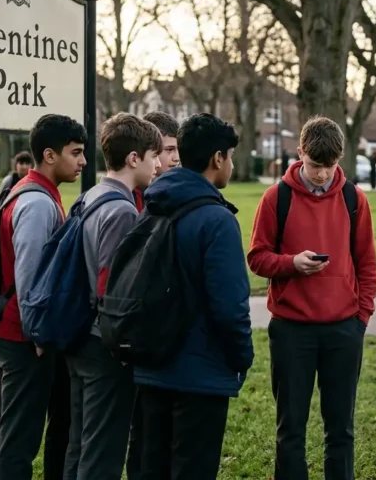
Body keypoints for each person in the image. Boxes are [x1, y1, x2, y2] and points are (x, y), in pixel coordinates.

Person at [247, 116, 376, 480]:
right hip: (292, 330)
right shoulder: (276, 198)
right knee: (290, 429)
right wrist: (291, 264)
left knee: (341, 429)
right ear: (300, 153)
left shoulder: (354, 199)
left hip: (344, 330)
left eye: (330, 166)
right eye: (315, 165)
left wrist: (361, 318)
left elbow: (367, 262)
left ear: (341, 158)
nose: (322, 174)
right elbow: (257, 258)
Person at [134, 113, 254, 479]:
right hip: (201, 373)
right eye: (230, 157)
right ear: (218, 158)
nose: (231, 165)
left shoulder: (152, 206)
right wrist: (242, 357)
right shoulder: (217, 220)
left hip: (151, 363)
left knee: (151, 469)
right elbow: (230, 306)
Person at [0, 115, 87, 480]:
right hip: (22, 336)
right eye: (75, 152)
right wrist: (38, 335)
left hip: (12, 328)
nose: (83, 161)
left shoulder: (31, 191)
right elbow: (29, 275)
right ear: (49, 155)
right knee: (20, 437)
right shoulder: (37, 204)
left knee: (8, 427)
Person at [64, 114, 162, 480]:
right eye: (154, 156)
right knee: (102, 453)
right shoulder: (122, 211)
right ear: (134, 158)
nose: (158, 165)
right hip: (103, 345)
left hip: (79, 338)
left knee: (79, 444)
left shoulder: (91, 195)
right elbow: (113, 289)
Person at [125, 110, 179, 480]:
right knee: (141, 431)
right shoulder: (132, 202)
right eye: (166, 150)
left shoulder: (167, 198)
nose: (172, 159)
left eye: (175, 150)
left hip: (161, 339)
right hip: (136, 338)